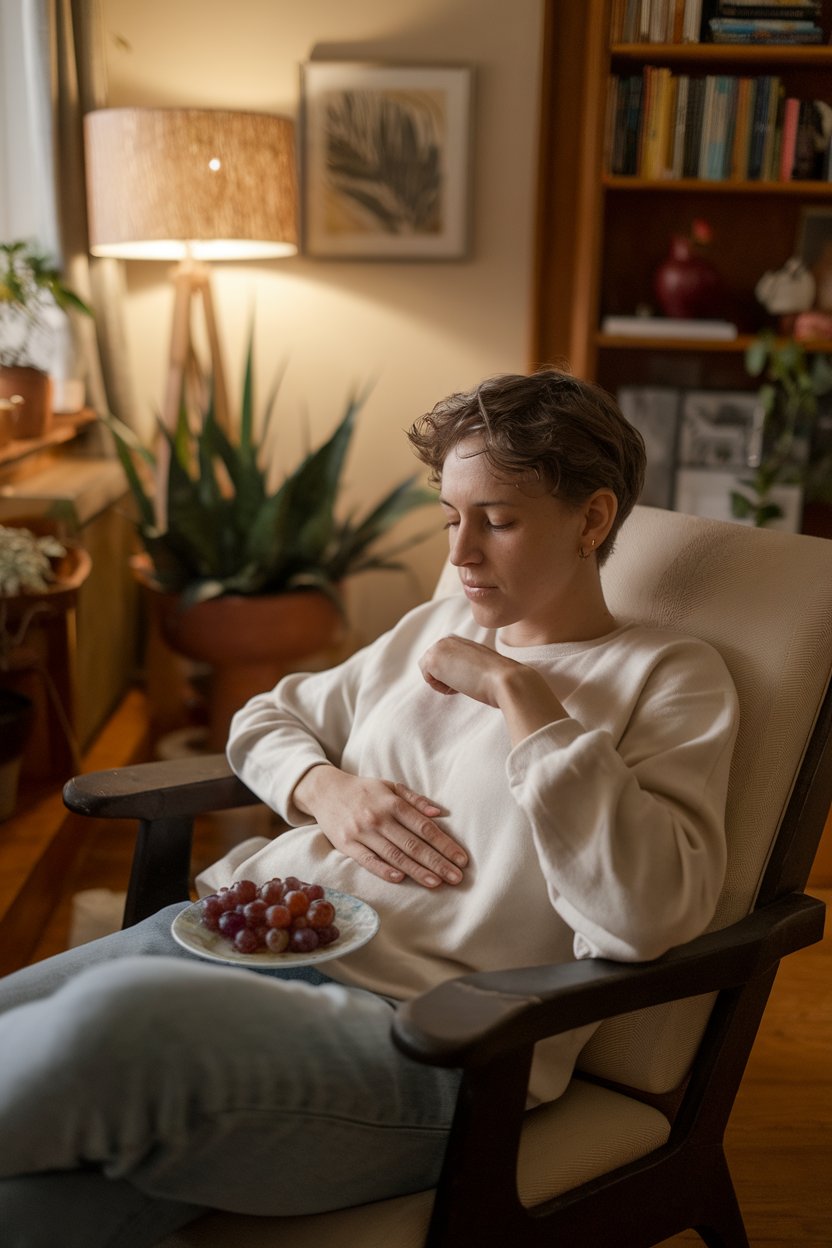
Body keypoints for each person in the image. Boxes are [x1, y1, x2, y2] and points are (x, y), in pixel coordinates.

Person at [0, 369, 739, 1248]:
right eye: (451, 518)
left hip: (417, 1041)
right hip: (225, 941)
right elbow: (267, 717)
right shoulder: (433, 629)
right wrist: (327, 790)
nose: (461, 555)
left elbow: (643, 914)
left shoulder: (668, 677)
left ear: (592, 519)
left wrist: (518, 692)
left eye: (497, 521)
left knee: (103, 1028)